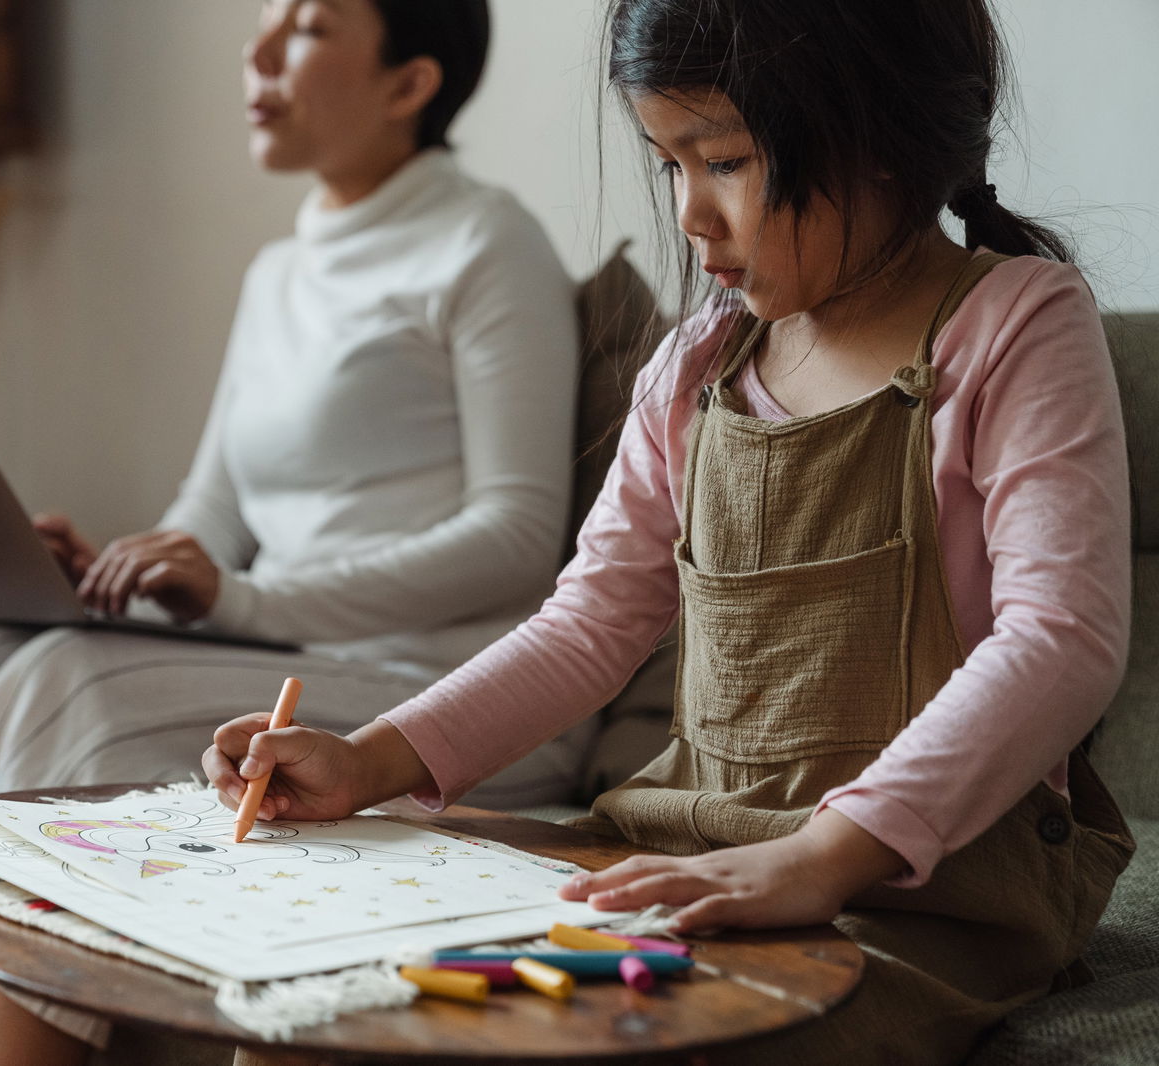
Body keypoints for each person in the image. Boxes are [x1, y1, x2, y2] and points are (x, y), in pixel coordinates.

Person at [206, 0, 1136, 1062]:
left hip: (918, 889)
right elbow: (588, 625)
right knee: (319, 999)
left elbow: (1061, 639)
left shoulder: (1016, 323)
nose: (692, 213)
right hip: (685, 837)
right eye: (669, 166)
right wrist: (366, 760)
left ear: (879, 133)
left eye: (726, 161)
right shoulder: (696, 365)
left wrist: (826, 855)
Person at [0, 2, 586, 1063]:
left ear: (410, 83)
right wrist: (123, 571)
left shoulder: (487, 241)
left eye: (310, 27)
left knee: (68, 686)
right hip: (279, 654)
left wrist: (243, 599)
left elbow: (518, 534)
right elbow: (214, 512)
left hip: (429, 692)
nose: (259, 52)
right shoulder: (277, 271)